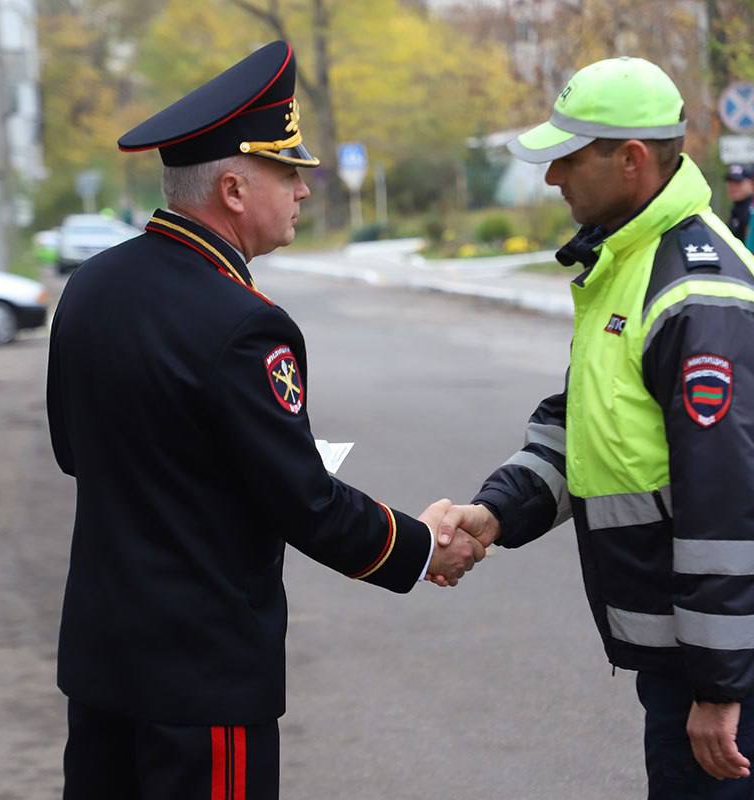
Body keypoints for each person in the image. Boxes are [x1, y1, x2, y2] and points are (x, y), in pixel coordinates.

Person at [46, 41, 484, 800]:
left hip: (104, 666)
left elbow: (73, 451)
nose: (303, 191)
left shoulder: (90, 285)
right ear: (234, 188)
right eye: (288, 172)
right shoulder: (244, 323)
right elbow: (306, 503)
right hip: (202, 678)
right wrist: (422, 548)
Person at [431, 57, 754, 798]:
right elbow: (590, 426)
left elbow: (733, 503)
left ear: (629, 162)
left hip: (740, 656)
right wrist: (496, 511)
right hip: (699, 649)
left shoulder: (697, 297)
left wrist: (722, 686)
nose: (553, 177)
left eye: (567, 157)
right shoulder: (627, 262)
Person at [725, 163, 754, 242]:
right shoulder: (738, 207)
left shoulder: (752, 210)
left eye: (738, 183)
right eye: (730, 183)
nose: (733, 187)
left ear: (751, 183)